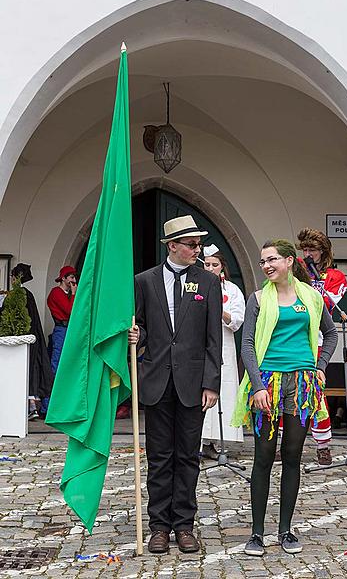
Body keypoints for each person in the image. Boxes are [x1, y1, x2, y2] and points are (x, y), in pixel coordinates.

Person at [232, 239, 337, 557]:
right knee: (263, 457)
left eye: (272, 259)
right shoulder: (258, 298)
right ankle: (257, 533)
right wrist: (258, 385)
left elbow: (329, 333)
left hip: (303, 384)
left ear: (290, 261)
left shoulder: (311, 297)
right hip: (269, 383)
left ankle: (286, 530)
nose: (266, 265)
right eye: (263, 261)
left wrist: (320, 366)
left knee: (292, 457)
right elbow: (247, 343)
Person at [128, 215, 222, 555]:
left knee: (187, 456)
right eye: (192, 244)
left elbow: (214, 338)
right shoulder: (144, 280)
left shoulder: (208, 283)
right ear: (173, 246)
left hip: (192, 382)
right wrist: (136, 337)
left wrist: (211, 382)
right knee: (159, 456)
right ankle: (158, 526)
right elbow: (140, 326)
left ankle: (184, 524)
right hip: (156, 380)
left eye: (199, 244)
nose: (198, 249)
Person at [298, 227, 347, 464]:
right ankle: (289, 443)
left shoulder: (335, 276)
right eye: (305, 249)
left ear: (323, 252)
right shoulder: (297, 268)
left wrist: (315, 278)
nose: (308, 254)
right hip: (294, 337)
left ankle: (323, 444)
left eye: (313, 250)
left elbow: (328, 303)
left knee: (315, 391)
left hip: (316, 338)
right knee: (289, 389)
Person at [201, 244, 245, 458]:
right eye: (207, 264)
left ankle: (212, 441)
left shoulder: (232, 290)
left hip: (224, 346)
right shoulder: (195, 285)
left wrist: (220, 309)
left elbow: (237, 320)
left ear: (222, 267)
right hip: (199, 346)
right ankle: (196, 441)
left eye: (214, 265)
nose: (210, 268)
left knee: (222, 391)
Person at [10, 263, 54, 419]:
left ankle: (30, 407)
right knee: (33, 368)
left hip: (24, 339)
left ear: (15, 277)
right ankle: (33, 406)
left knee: (27, 370)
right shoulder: (28, 294)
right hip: (33, 337)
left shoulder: (18, 294)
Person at [47, 265, 77, 376]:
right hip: (61, 329)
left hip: (69, 329)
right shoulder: (56, 292)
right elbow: (70, 311)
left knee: (69, 359)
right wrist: (74, 294)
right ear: (63, 278)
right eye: (71, 277)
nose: (74, 281)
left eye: (74, 278)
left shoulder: (67, 294)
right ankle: (53, 387)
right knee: (58, 358)